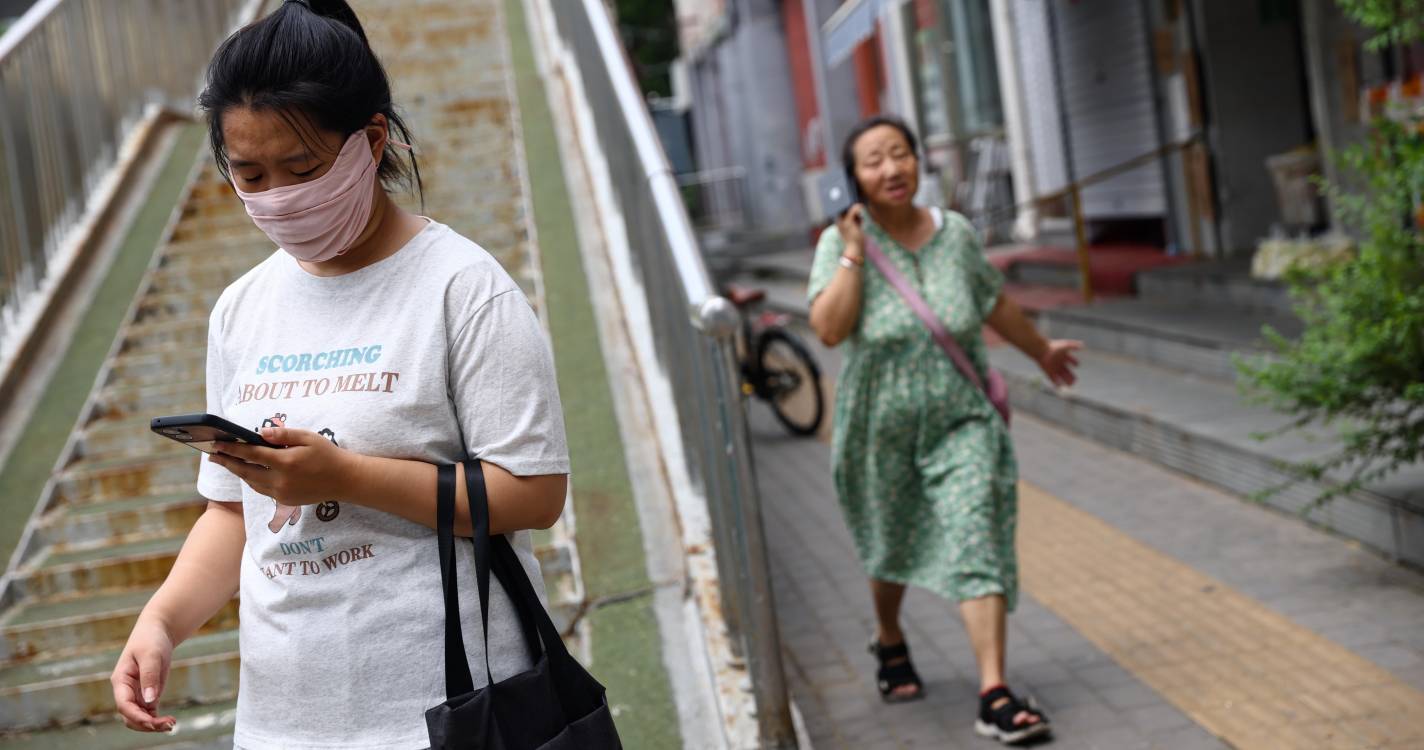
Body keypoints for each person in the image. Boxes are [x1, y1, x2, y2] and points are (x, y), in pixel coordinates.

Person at [108, 1, 571, 746]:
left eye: (302, 168)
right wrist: (162, 620)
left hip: (449, 711)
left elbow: (535, 492)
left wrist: (344, 477)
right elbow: (232, 513)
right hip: (283, 721)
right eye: (248, 173)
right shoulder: (240, 310)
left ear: (372, 138)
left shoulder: (462, 289)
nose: (277, 196)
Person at [808, 115, 1080, 745]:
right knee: (888, 543)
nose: (891, 169)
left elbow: (990, 301)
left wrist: (1041, 350)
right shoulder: (839, 243)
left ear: (916, 163)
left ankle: (994, 692)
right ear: (854, 179)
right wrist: (851, 249)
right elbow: (828, 329)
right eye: (874, 160)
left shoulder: (954, 233)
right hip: (881, 424)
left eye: (900, 154)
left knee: (976, 531)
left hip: (962, 417)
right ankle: (891, 636)